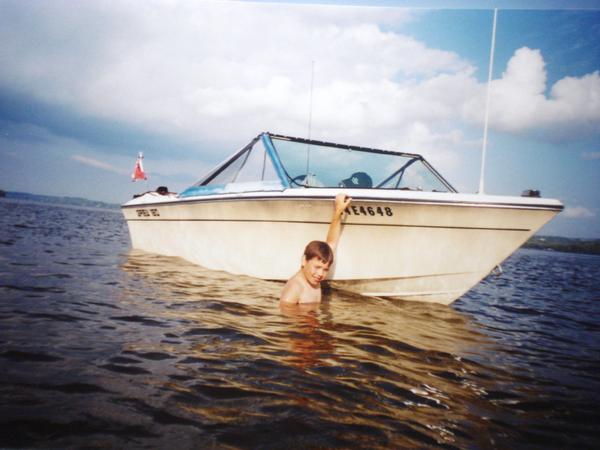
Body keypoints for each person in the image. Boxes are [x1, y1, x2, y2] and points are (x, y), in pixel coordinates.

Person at [279, 193, 351, 304]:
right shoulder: (295, 289)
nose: (320, 274)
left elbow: (331, 242)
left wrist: (338, 211)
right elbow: (286, 320)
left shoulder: (312, 279)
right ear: (304, 260)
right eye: (317, 267)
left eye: (325, 269)